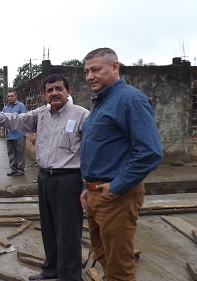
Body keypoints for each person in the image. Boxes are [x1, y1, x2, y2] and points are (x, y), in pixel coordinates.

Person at [0, 74, 89, 281]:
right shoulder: (40, 115)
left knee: (68, 232)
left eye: (59, 88)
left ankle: (70, 277)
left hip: (69, 179)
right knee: (49, 227)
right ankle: (51, 269)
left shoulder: (82, 115)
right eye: (50, 90)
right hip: (45, 178)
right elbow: (17, 120)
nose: (54, 93)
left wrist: (89, 183)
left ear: (68, 91)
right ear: (44, 94)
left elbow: (92, 150)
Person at [80, 48, 163, 280]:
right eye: (87, 71)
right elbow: (95, 151)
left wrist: (116, 186)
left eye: (95, 69)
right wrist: (86, 187)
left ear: (115, 67)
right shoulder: (101, 102)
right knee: (104, 255)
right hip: (95, 193)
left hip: (116, 196)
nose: (89, 77)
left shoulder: (130, 99)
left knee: (119, 268)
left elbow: (150, 152)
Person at [1, 90, 27, 176]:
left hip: (19, 134)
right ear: (7, 98)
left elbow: (25, 118)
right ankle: (13, 169)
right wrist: (2, 128)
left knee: (20, 152)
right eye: (9, 96)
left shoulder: (20, 105)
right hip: (9, 134)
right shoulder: (5, 108)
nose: (10, 98)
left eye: (12, 96)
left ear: (16, 97)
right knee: (11, 153)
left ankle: (20, 170)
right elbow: (2, 118)